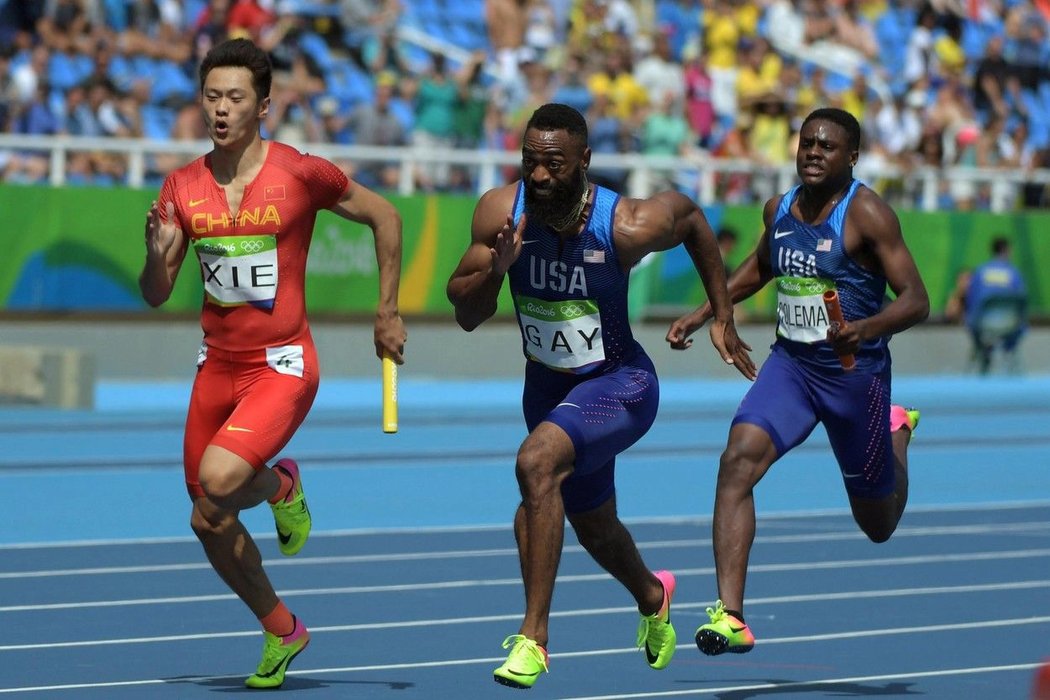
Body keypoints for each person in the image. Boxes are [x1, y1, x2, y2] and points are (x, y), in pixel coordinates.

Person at [446, 102, 753, 690]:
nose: (538, 177)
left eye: (553, 165)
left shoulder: (625, 224)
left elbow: (690, 217)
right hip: (548, 390)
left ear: (584, 161)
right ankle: (652, 593)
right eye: (530, 162)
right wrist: (496, 269)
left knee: (535, 466)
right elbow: (465, 313)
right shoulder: (500, 213)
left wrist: (721, 314)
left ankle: (533, 640)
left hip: (621, 386)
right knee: (591, 523)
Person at [138, 38, 406, 689]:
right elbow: (156, 292)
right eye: (212, 97)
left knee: (222, 479)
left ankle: (280, 484)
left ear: (264, 106)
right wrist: (156, 253)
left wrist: (387, 310)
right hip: (216, 367)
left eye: (235, 97)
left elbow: (385, 215)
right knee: (206, 516)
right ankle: (282, 629)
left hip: (282, 364)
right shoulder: (182, 186)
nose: (221, 109)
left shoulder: (299, 172)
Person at [666, 107, 930, 658]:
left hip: (856, 378)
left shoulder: (869, 215)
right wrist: (706, 312)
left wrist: (864, 329)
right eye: (806, 142)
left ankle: (896, 430)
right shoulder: (778, 209)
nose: (812, 151)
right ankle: (731, 614)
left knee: (877, 524)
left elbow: (916, 300)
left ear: (851, 156)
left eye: (827, 146)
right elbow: (761, 268)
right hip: (791, 367)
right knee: (737, 458)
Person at [963, 236, 1027, 374]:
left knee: (972, 320)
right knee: (1020, 324)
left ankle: (983, 351)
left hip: (983, 326)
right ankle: (1009, 351)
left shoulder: (980, 272)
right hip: (1010, 325)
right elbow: (1022, 302)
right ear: (1006, 250)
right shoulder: (1014, 273)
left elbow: (971, 301)